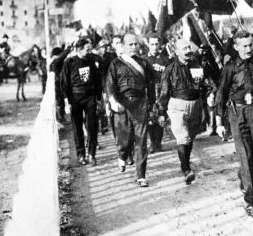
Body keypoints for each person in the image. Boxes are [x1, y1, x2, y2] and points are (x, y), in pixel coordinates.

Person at [215, 30, 253, 217]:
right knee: (246, 157)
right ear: (236, 47)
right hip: (237, 113)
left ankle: (244, 176)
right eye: (245, 46)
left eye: (251, 44)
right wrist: (219, 120)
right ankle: (251, 201)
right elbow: (221, 93)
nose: (249, 49)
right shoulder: (230, 67)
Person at [156, 39, 215, 185]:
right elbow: (164, 91)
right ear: (176, 51)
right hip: (177, 106)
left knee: (190, 137)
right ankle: (186, 169)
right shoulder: (170, 69)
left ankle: (186, 162)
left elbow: (206, 83)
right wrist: (161, 112)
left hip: (195, 104)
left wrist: (210, 94)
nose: (188, 50)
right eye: (184, 48)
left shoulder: (198, 65)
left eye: (189, 47)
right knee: (182, 137)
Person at [107, 33, 156, 188]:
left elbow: (151, 85)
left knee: (141, 140)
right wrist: (113, 101)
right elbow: (110, 84)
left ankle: (141, 175)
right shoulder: (115, 63)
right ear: (123, 46)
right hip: (122, 104)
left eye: (136, 44)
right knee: (123, 138)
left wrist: (153, 105)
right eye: (130, 44)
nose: (134, 47)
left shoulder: (145, 63)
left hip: (140, 103)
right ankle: (122, 155)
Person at [60, 38, 102, 166]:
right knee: (77, 128)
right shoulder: (69, 62)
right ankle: (81, 155)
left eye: (90, 49)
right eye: (87, 49)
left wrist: (98, 98)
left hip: (90, 97)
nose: (89, 52)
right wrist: (67, 100)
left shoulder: (91, 60)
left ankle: (91, 154)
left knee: (92, 126)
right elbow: (64, 82)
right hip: (75, 98)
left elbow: (97, 80)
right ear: (79, 49)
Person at [143, 33, 171, 153]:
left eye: (156, 44)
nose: (154, 47)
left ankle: (158, 142)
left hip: (162, 91)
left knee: (161, 116)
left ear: (159, 44)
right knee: (150, 118)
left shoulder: (165, 60)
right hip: (148, 91)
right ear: (148, 44)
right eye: (152, 44)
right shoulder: (143, 59)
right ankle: (152, 142)